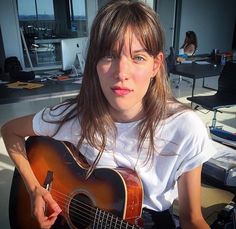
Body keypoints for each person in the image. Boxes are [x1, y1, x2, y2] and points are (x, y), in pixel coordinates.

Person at [1, 1, 216, 229]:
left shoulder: (184, 128)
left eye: (138, 57)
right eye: (109, 56)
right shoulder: (73, 116)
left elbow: (192, 220)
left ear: (156, 65)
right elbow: (9, 130)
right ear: (95, 63)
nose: (121, 73)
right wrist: (35, 189)